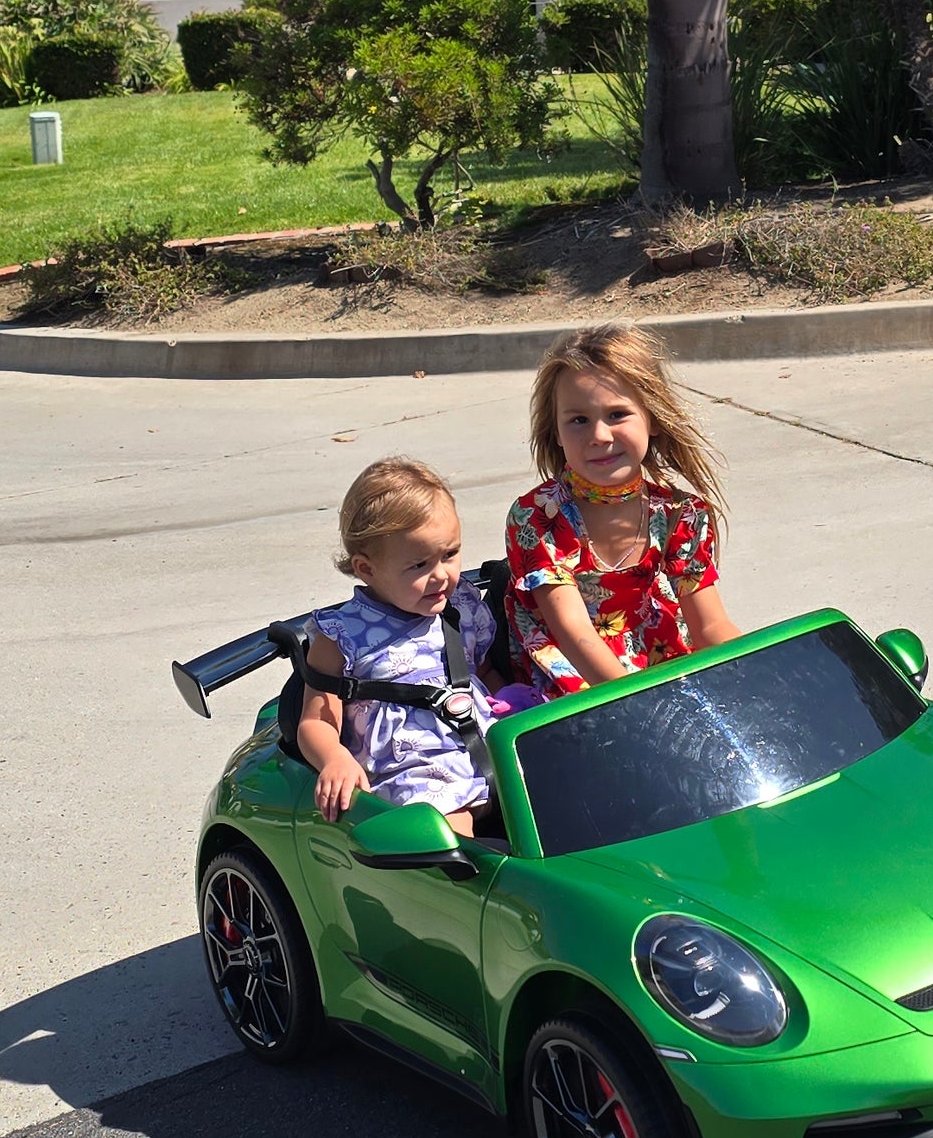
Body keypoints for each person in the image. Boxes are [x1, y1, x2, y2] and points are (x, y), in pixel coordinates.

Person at [505, 324, 741, 699]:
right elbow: (575, 635)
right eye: (578, 420)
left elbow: (710, 627)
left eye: (617, 414)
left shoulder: (682, 514)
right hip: (579, 680)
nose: (599, 435)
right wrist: (642, 703)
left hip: (661, 661)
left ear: (654, 419)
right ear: (555, 432)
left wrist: (758, 671)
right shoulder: (536, 517)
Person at [298, 455, 516, 831]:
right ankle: (455, 886)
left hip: (486, 747)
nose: (442, 575)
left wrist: (510, 704)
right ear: (367, 569)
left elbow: (480, 670)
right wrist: (333, 758)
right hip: (418, 771)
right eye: (419, 566)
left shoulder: (460, 605)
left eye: (450, 554)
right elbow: (316, 720)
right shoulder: (341, 636)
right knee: (446, 828)